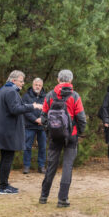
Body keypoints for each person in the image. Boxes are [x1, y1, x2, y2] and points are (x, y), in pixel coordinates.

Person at [39, 69, 87, 208]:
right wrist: (80, 132)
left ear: (58, 80)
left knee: (51, 166)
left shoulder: (50, 95)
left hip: (54, 136)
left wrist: (49, 130)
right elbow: (81, 118)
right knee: (67, 166)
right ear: (70, 81)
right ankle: (62, 199)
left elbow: (43, 117)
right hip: (71, 135)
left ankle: (43, 196)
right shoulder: (75, 96)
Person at [0, 70, 35, 194]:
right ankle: (3, 187)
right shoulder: (10, 91)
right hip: (8, 131)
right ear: (13, 80)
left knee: (5, 158)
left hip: (4, 130)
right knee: (7, 159)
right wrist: (32, 106)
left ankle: (4, 184)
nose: (23, 83)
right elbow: (15, 109)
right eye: (21, 81)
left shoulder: (4, 89)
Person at [22, 78, 47, 174]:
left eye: (40, 85)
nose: (38, 87)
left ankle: (41, 166)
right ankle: (26, 166)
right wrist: (35, 119)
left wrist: (42, 120)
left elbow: (48, 110)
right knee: (27, 146)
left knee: (43, 147)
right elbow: (25, 110)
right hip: (29, 125)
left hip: (42, 126)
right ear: (33, 85)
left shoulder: (46, 96)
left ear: (42, 86)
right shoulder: (26, 96)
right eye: (36, 85)